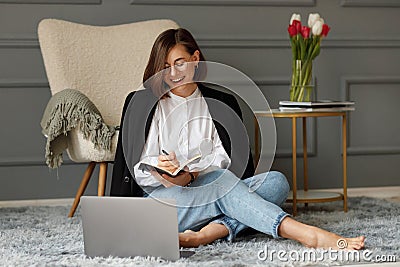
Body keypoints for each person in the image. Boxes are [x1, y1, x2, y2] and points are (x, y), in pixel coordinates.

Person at [110, 28, 365, 250]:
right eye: (165, 67)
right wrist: (162, 170)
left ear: (195, 59)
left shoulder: (223, 103)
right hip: (160, 206)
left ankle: (201, 236)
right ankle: (307, 234)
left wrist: (194, 174)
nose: (173, 73)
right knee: (224, 184)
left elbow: (231, 164)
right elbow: (135, 170)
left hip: (210, 191)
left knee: (275, 182)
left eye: (180, 63)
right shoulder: (141, 103)